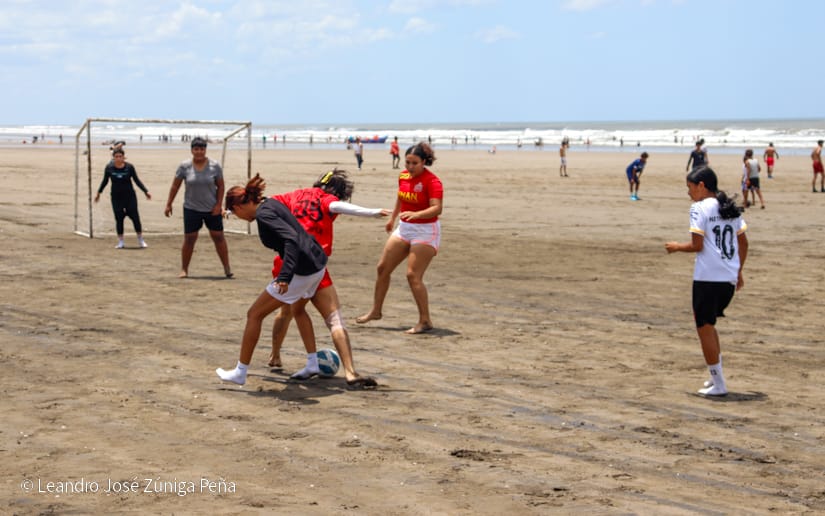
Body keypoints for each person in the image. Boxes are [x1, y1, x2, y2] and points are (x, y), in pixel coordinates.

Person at [215, 175, 377, 388]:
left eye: (235, 213)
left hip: (299, 269)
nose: (238, 217)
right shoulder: (270, 203)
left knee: (255, 314)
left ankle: (241, 371)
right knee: (310, 313)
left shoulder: (269, 211)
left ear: (239, 206)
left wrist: (284, 277)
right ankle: (325, 366)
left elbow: (291, 240)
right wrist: (372, 212)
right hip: (318, 264)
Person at [267, 169, 389, 386]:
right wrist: (373, 212)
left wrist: (232, 209)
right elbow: (339, 207)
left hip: (287, 264)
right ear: (336, 192)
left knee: (289, 311)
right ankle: (350, 372)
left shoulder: (295, 194)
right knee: (334, 320)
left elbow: (267, 204)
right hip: (313, 266)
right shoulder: (327, 200)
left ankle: (276, 356)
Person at [665, 166, 748, 397]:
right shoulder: (728, 207)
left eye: (690, 188)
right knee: (709, 326)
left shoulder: (699, 208)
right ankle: (716, 377)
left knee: (704, 328)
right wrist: (738, 271)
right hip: (728, 279)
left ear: (701, 186)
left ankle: (719, 384)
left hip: (708, 278)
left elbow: (697, 245)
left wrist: (676, 247)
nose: (689, 193)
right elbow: (743, 243)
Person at [356, 143, 443, 334]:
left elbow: (437, 208)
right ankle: (376, 311)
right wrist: (393, 218)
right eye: (407, 162)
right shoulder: (403, 175)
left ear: (424, 162)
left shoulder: (432, 181)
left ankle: (425, 320)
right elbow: (401, 198)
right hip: (405, 227)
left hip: (426, 230)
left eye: (414, 163)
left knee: (413, 275)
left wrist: (417, 214)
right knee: (382, 268)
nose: (410, 167)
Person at [164, 137, 232, 278]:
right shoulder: (184, 166)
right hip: (191, 208)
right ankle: (184, 269)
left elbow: (221, 186)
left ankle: (227, 268)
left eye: (202, 149)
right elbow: (175, 186)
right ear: (192, 150)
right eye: (196, 149)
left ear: (205, 150)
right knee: (189, 239)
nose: (199, 152)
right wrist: (169, 204)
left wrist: (219, 205)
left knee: (218, 237)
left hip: (212, 208)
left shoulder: (214, 166)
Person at [94, 148, 151, 249]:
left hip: (130, 196)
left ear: (124, 157)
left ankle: (140, 240)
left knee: (135, 218)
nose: (118, 158)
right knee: (119, 218)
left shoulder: (129, 167)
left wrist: (145, 191)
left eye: (120, 156)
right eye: (116, 157)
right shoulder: (109, 168)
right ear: (113, 158)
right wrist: (99, 193)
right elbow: (105, 181)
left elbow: (136, 180)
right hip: (116, 197)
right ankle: (121, 241)